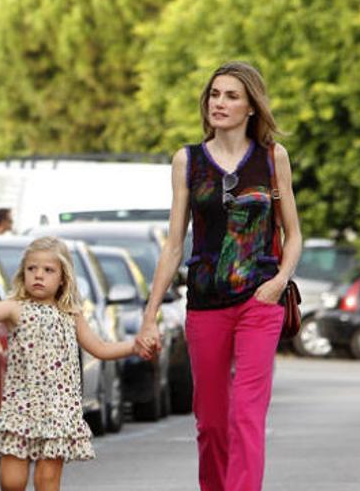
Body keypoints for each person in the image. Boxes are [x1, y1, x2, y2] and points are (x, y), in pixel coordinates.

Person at [137, 61, 302, 491]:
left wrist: (279, 281)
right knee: (211, 422)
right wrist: (150, 314)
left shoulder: (271, 158)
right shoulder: (187, 161)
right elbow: (175, 244)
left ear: (251, 106)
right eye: (215, 94)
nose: (220, 103)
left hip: (259, 300)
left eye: (231, 96)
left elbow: (294, 233)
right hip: (206, 304)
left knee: (246, 413)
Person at [0, 236, 154, 491]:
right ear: (23, 273)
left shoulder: (71, 313)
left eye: (48, 270)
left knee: (47, 482)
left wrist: (133, 346)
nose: (38, 275)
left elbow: (100, 348)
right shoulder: (15, 308)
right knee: (11, 483)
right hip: (21, 409)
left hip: (58, 412)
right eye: (32, 269)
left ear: (63, 278)